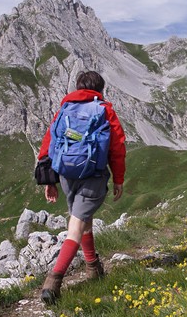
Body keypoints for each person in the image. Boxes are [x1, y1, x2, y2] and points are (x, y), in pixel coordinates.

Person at [36, 70, 126, 304]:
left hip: (67, 175)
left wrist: (50, 180)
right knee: (76, 226)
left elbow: (50, 143)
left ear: (77, 88)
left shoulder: (65, 109)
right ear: (100, 89)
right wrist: (118, 178)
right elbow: (117, 147)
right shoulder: (104, 110)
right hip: (92, 176)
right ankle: (53, 281)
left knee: (83, 219)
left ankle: (93, 268)